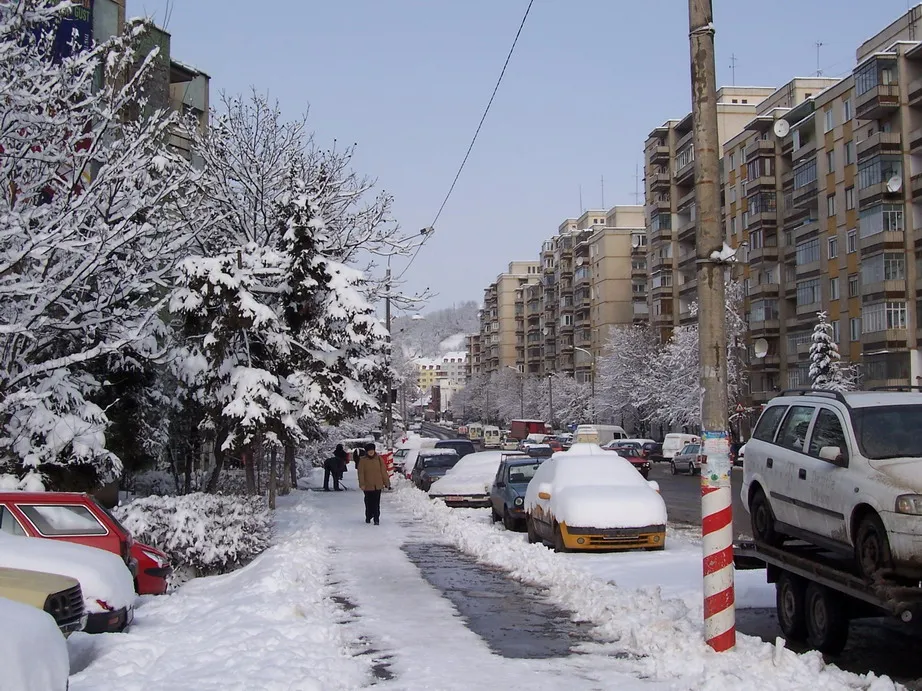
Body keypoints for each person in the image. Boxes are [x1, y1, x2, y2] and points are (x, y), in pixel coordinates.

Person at [357, 442, 390, 525]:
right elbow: (361, 473)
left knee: (376, 503)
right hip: (367, 485)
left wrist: (387, 482)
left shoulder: (379, 459)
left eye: (372, 450)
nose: (371, 452)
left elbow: (383, 472)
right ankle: (368, 516)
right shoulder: (363, 460)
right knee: (368, 502)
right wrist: (362, 484)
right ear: (367, 452)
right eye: (369, 451)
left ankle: (376, 518)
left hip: (377, 485)